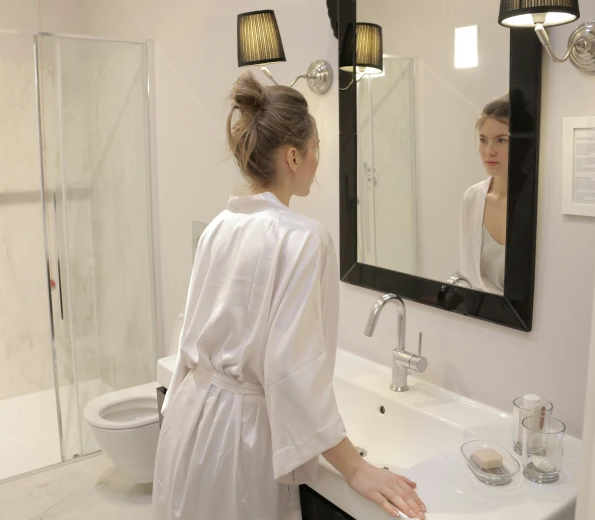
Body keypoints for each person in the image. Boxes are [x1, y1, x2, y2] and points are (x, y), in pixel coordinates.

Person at [152, 72, 426, 520]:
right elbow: (293, 374)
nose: (319, 161)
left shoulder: (221, 225)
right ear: (294, 155)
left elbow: (190, 336)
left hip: (190, 421)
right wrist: (354, 468)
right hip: (242, 439)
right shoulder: (303, 238)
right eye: (316, 148)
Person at [458, 95, 510, 295]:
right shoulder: (472, 198)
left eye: (501, 140)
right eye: (483, 140)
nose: (489, 151)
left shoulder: (537, 204)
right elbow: (468, 272)